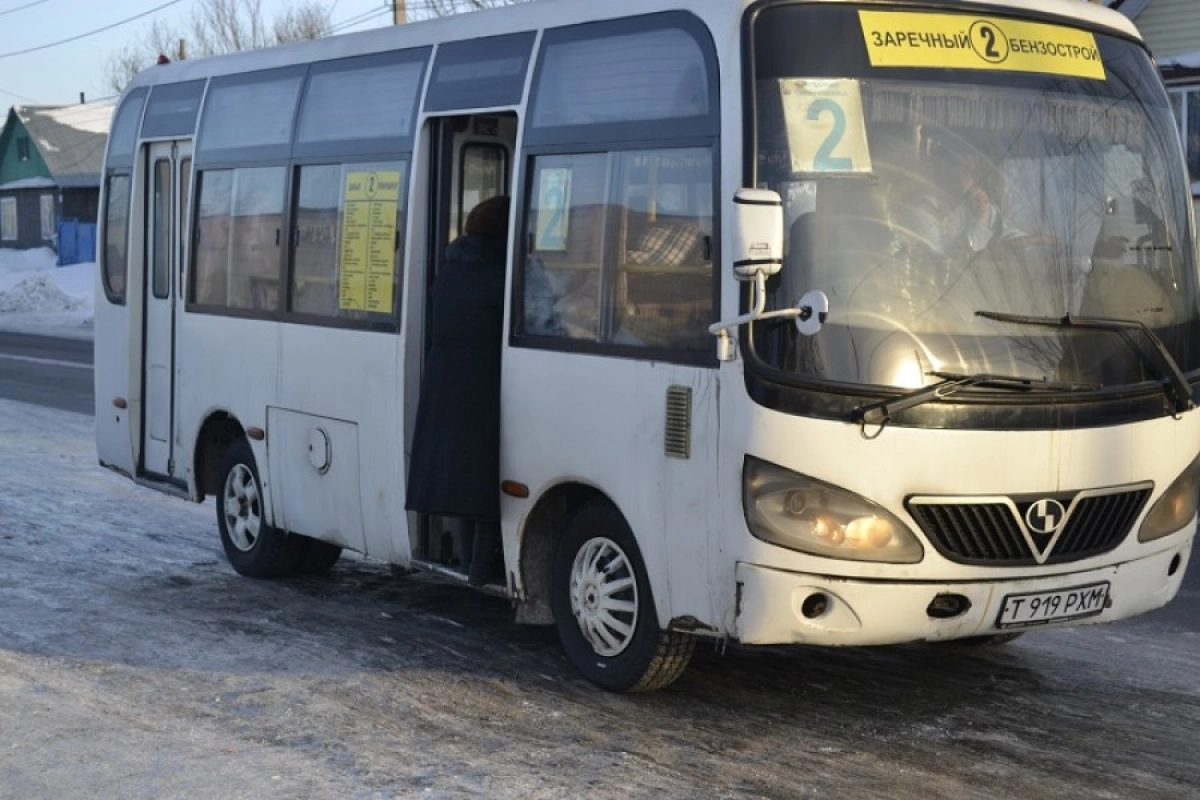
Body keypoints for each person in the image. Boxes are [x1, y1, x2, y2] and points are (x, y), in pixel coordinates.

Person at [406, 195, 510, 586]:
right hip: (484, 379)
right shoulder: (502, 271)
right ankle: (483, 567)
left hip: (445, 378)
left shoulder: (452, 266)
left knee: (466, 477)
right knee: (486, 478)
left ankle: (470, 561)